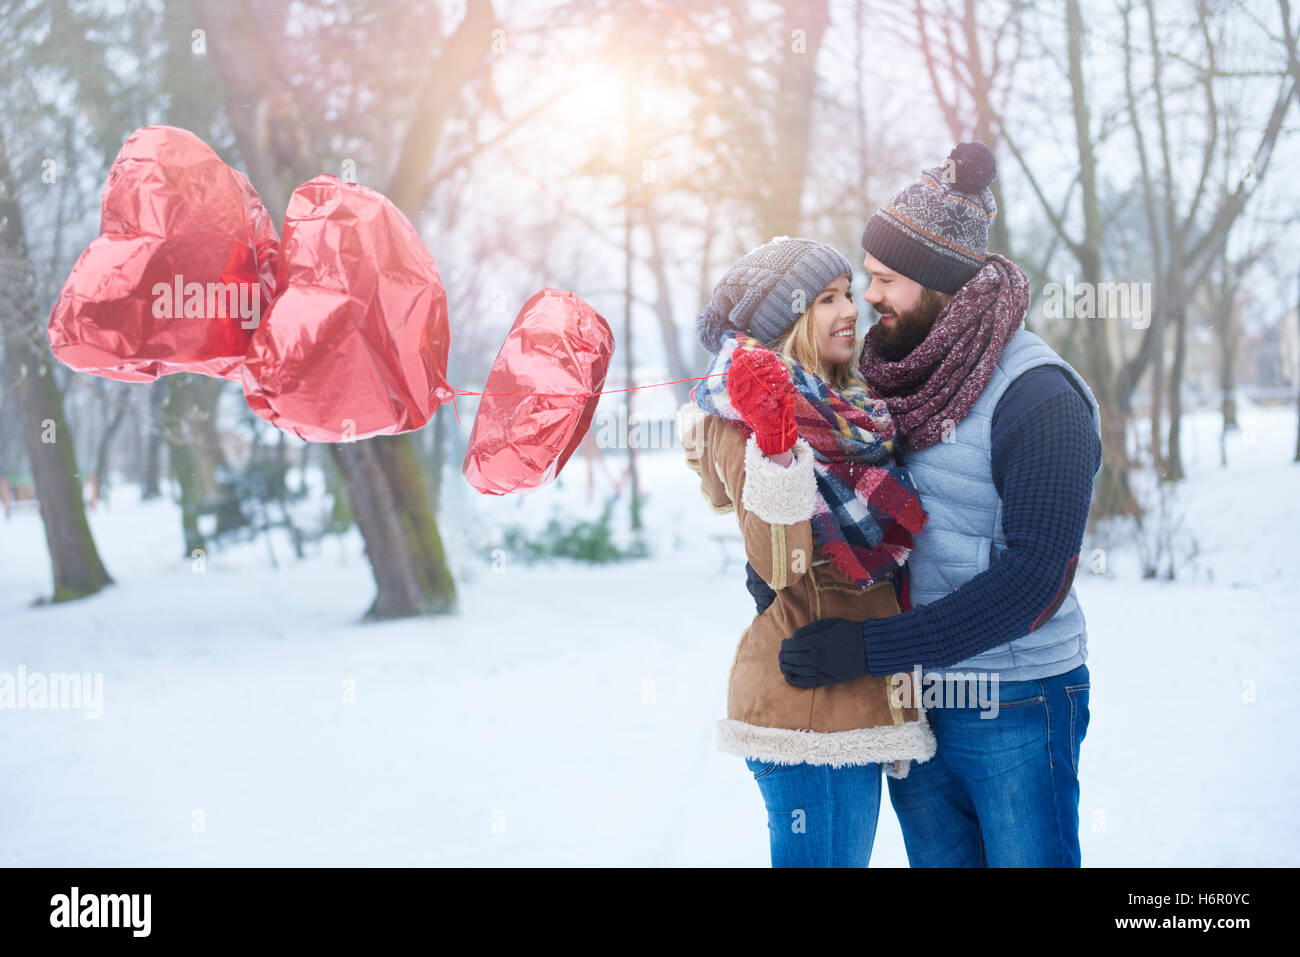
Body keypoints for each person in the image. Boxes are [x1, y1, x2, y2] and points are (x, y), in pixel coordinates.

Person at [774, 143, 1104, 867]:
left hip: (1017, 699)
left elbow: (1035, 582)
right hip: (914, 704)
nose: (869, 298)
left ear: (941, 283)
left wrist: (865, 650)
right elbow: (855, 504)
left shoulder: (1039, 396)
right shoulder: (890, 379)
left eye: (885, 279)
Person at [677, 236, 933, 868]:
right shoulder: (747, 420)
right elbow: (779, 564)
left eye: (848, 293)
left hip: (853, 699)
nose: (850, 310)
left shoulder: (852, 410)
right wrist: (776, 444)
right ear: (787, 322)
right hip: (809, 712)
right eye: (826, 299)